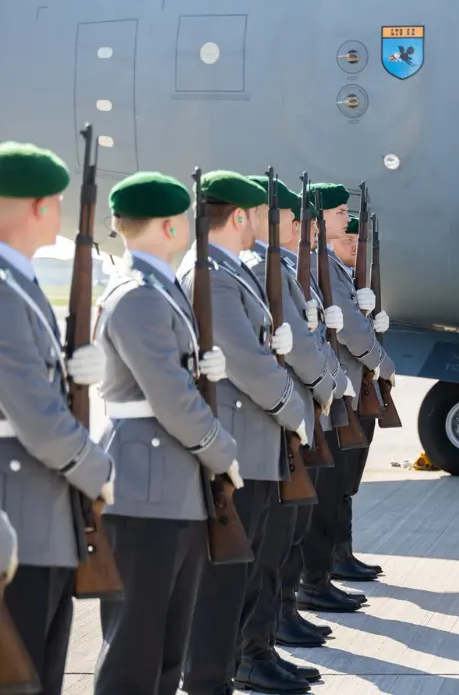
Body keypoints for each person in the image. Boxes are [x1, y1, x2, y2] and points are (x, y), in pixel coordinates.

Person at [91, 171, 243, 694]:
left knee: (166, 651)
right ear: (169, 225)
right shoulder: (139, 295)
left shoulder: (159, 289)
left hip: (170, 488)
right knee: (135, 653)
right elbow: (172, 397)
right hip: (144, 489)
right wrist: (222, 450)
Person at [178, 170, 310, 695]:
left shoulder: (234, 271)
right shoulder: (211, 274)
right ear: (240, 216)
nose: (265, 226)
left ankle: (240, 661)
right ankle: (213, 673)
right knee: (223, 580)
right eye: (259, 215)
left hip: (256, 443)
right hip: (238, 445)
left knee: (246, 573)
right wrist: (293, 406)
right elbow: (246, 360)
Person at [0, 142, 115, 695]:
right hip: (17, 510)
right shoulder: (3, 288)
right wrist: (99, 471)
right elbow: (37, 417)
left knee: (40, 674)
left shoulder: (17, 283)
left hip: (40, 512)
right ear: (39, 207)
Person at [240, 176, 336, 682]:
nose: (303, 228)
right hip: (281, 416)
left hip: (295, 414)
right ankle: (255, 649)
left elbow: (309, 335)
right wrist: (325, 387)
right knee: (268, 544)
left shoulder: (275, 266)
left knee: (282, 537)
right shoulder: (256, 267)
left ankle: (266, 640)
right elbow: (294, 346)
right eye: (294, 219)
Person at [299, 183, 392, 615]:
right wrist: (380, 358)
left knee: (342, 486)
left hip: (346, 388)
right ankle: (317, 577)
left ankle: (336, 560)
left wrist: (371, 319)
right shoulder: (324, 267)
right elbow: (349, 332)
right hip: (336, 390)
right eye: (342, 222)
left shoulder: (334, 270)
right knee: (329, 486)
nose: (352, 240)